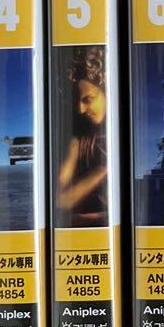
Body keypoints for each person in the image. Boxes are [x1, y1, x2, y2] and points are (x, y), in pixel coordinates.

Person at [56, 46, 109, 227]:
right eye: (76, 101)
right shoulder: (79, 140)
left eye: (88, 99)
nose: (80, 109)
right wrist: (105, 169)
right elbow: (60, 199)